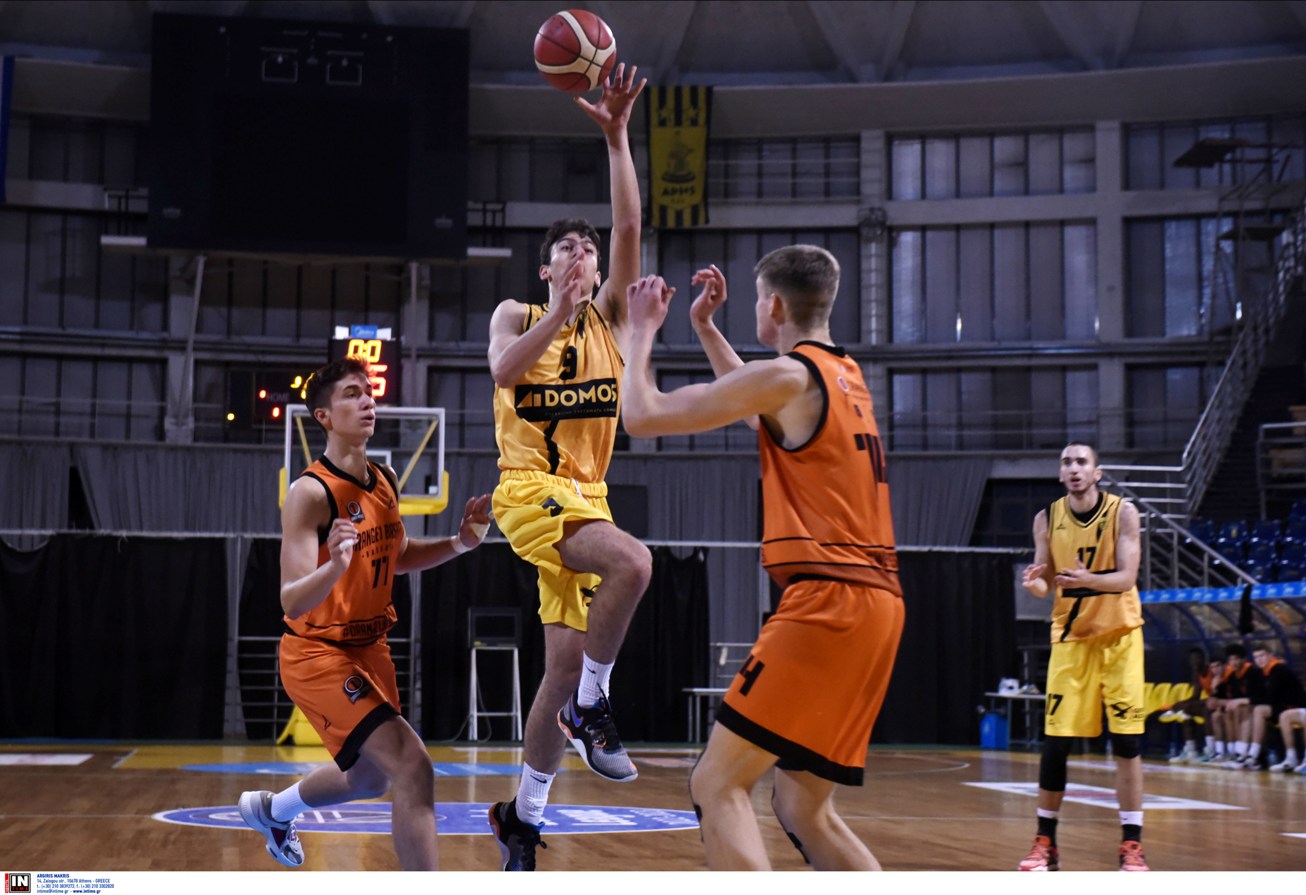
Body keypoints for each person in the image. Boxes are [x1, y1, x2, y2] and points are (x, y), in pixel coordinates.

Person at [621, 247, 906, 870]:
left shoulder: (788, 377)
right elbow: (759, 409)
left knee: (716, 783)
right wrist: (705, 328)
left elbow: (641, 416)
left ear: (773, 305)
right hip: (879, 604)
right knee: (804, 807)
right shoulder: (844, 375)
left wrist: (640, 330)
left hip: (829, 601)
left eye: (756, 299)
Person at [484, 63, 649, 872]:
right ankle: (594, 706)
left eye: (587, 248)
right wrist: (554, 312)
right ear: (547, 268)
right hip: (527, 491)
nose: (582, 253)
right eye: (565, 249)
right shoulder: (519, 311)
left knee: (556, 667)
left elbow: (629, 223)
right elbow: (502, 371)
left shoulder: (611, 317)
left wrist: (617, 137)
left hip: (586, 497)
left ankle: (522, 816)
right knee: (634, 563)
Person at [239, 357, 492, 871]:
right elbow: (291, 599)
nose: (367, 401)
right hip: (318, 652)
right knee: (414, 765)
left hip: (369, 648)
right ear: (324, 416)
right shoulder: (310, 494)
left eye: (368, 392)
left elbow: (397, 555)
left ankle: (273, 811)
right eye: (351, 394)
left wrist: (459, 543)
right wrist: (334, 566)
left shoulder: (386, 479)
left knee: (370, 777)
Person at [1018, 442, 1149, 872]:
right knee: (1056, 742)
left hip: (1120, 636)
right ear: (1060, 474)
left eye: (1081, 462)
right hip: (1072, 638)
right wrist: (1035, 583)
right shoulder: (1046, 518)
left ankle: (1132, 844)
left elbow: (1127, 577)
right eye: (1066, 463)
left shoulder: (1123, 513)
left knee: (1127, 741)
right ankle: (1045, 842)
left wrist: (1087, 579)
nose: (1073, 468)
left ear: (1097, 472)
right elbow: (1047, 582)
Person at [1249, 643, 1306, 771]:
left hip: (1295, 706)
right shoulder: (1262, 672)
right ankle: (1254, 755)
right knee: (1256, 710)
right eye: (1256, 657)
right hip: (1282, 707)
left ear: (1270, 655)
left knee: (1264, 711)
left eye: (1262, 655)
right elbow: (1260, 696)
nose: (1259, 660)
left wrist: (1248, 700)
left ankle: (1254, 754)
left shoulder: (1279, 669)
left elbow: (1271, 698)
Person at [1163, 646, 1214, 764]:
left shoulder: (1211, 671)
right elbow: (1195, 696)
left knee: (1205, 711)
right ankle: (1191, 750)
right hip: (1209, 702)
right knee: (1184, 711)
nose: (1194, 662)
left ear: (1203, 659)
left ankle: (1211, 750)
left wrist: (1187, 704)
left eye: (1197, 658)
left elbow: (1216, 697)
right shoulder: (1197, 674)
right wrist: (1182, 703)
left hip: (1219, 703)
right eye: (1192, 659)